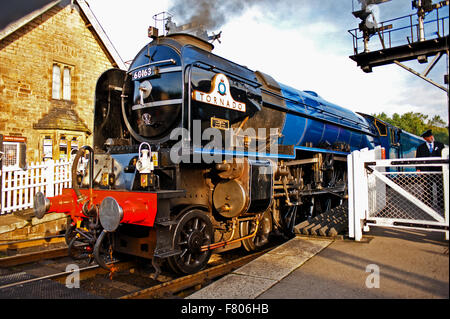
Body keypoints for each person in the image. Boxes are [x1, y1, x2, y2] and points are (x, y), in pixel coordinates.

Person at [415, 129, 445, 210]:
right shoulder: (420, 148)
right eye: (429, 137)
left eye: (432, 136)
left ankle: (441, 204)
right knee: (427, 188)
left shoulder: (440, 145)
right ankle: (428, 204)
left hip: (439, 171)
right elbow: (418, 159)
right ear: (425, 138)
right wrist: (418, 169)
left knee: (440, 188)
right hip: (426, 171)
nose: (431, 137)